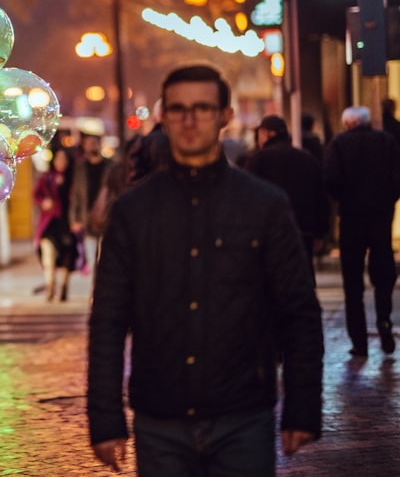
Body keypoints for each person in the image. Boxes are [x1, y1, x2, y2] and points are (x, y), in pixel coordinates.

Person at [87, 64, 323, 476]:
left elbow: (298, 311)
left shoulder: (264, 205)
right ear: (164, 118)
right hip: (161, 416)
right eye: (178, 110)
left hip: (242, 413)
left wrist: (302, 407)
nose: (190, 121)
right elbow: (107, 320)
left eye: (203, 108)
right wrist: (105, 418)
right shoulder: (133, 212)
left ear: (224, 116)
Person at [324, 104, 400, 357]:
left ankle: (359, 339)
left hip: (352, 217)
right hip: (380, 216)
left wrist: (343, 199)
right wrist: (388, 199)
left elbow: (332, 179)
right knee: (383, 271)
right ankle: (384, 320)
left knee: (353, 280)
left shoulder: (339, 144)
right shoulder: (386, 141)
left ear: (348, 123)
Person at [244, 114, 330, 279]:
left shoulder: (258, 159)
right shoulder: (307, 159)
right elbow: (321, 196)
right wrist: (320, 232)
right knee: (302, 276)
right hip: (303, 230)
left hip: (268, 233)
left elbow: (247, 199)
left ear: (268, 134)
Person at [32, 146, 77, 302]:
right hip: (49, 224)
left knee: (67, 257)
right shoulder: (47, 177)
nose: (61, 162)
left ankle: (64, 288)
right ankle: (50, 287)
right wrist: (44, 201)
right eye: (58, 158)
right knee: (48, 257)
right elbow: (36, 195)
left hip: (67, 224)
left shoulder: (74, 178)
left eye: (64, 159)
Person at [69, 132, 108, 273]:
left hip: (106, 219)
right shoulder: (81, 168)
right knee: (92, 260)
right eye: (88, 144)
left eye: (94, 143)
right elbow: (76, 196)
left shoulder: (109, 166)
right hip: (87, 219)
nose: (92, 146)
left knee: (104, 260)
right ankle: (95, 292)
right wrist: (74, 219)